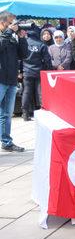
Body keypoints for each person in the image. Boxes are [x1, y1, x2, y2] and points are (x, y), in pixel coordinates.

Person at [0, 11, 28, 152]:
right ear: (3, 23)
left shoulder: (12, 37)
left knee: (6, 113)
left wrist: (22, 38)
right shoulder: (4, 36)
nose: (14, 26)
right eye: (11, 23)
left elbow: (23, 55)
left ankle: (6, 142)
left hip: (11, 80)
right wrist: (8, 32)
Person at [22, 25, 52, 121]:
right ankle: (43, 113)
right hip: (39, 71)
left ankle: (25, 114)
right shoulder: (41, 44)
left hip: (26, 71)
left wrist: (20, 70)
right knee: (40, 92)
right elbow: (47, 60)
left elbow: (19, 58)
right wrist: (49, 70)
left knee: (26, 92)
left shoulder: (24, 43)